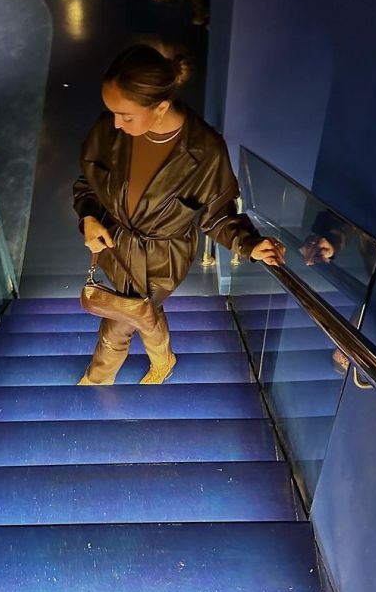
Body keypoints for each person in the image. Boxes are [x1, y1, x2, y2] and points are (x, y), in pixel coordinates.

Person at [73, 45, 285, 385]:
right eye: (112, 112)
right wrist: (88, 217)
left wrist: (249, 244)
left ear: (161, 107)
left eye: (126, 115)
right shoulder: (110, 130)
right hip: (117, 247)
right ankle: (163, 359)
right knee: (141, 311)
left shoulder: (205, 151)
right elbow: (87, 182)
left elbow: (217, 213)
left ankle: (98, 378)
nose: (115, 122)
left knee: (120, 319)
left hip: (162, 259)